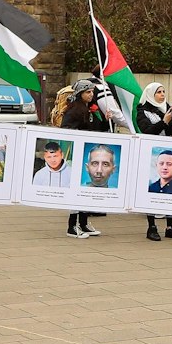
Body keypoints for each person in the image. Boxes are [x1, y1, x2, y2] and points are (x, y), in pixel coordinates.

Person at [59, 78, 114, 238]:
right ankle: (72, 226)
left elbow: (97, 129)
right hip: (76, 155)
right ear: (79, 93)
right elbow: (66, 130)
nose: (91, 95)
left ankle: (83, 223)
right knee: (77, 191)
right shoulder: (74, 111)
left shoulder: (91, 109)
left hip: (87, 154)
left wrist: (106, 120)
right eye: (88, 92)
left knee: (85, 190)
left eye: (92, 92)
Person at [137, 84, 172, 242]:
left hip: (171, 154)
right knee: (152, 189)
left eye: (164, 91)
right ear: (151, 94)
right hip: (154, 155)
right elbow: (147, 131)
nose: (162, 94)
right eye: (158, 92)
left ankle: (170, 226)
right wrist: (164, 121)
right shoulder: (143, 111)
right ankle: (151, 226)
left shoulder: (168, 108)